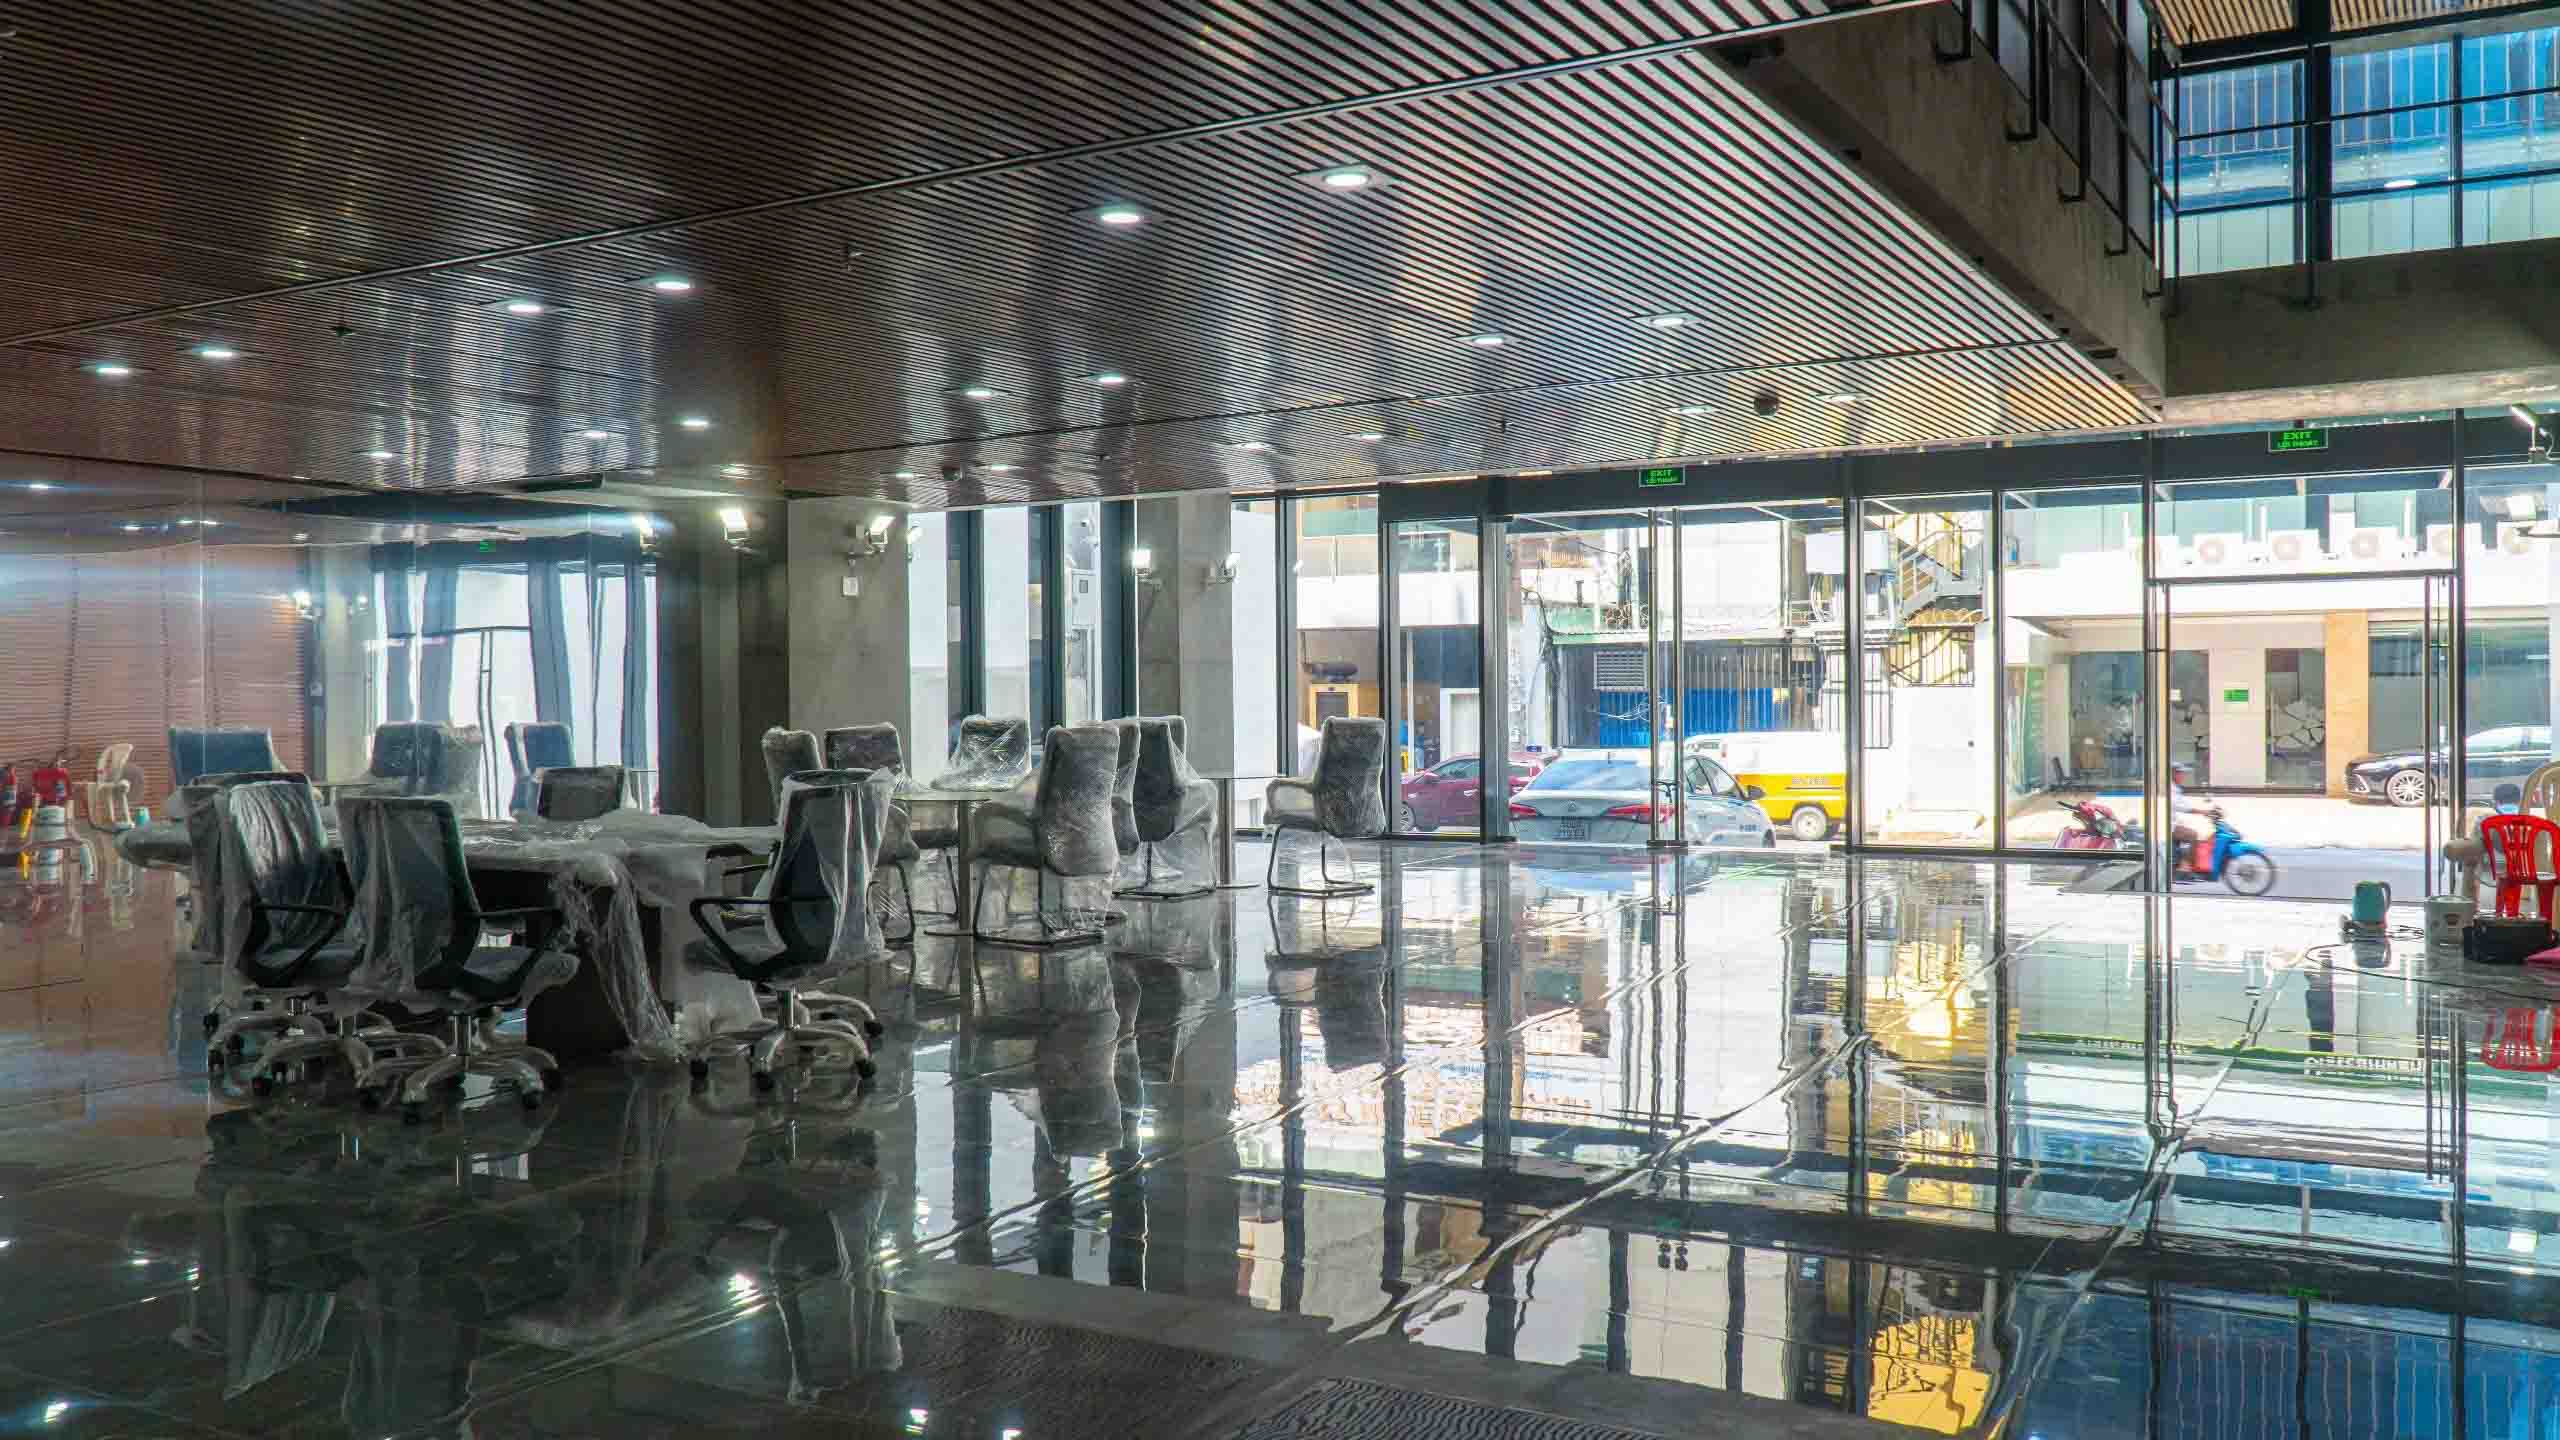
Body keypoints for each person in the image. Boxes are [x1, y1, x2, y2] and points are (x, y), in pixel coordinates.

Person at [2169, 761, 2215, 876]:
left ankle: (2180, 863)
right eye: (2181, 773)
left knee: (2189, 829)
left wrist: (2207, 808)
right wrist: (2203, 812)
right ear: (2174, 773)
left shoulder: (2176, 788)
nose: (2183, 776)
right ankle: (2186, 869)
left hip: (2172, 823)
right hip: (2168, 826)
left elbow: (2186, 803)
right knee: (2192, 835)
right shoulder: (2171, 788)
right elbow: (2184, 807)